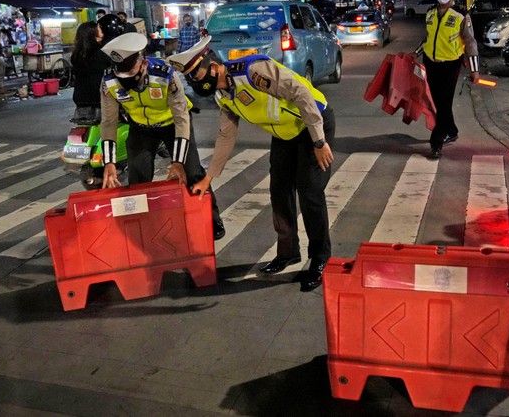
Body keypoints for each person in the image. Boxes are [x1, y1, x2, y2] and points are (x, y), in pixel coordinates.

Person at [176, 39, 335, 292]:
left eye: (196, 73)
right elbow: (226, 136)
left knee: (310, 192)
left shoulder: (252, 72)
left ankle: (320, 258)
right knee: (279, 191)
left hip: (312, 124)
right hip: (284, 134)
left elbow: (302, 94)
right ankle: (288, 252)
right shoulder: (222, 96)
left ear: (214, 66)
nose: (195, 81)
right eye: (190, 78)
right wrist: (209, 178)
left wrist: (319, 141)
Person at [99, 32, 225, 239]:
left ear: (142, 62)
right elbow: (109, 122)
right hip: (140, 128)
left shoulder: (165, 74)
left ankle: (212, 219)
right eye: (123, 77)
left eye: (131, 74)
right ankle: (143, 227)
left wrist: (177, 161)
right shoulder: (109, 81)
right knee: (138, 178)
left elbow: (182, 119)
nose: (127, 81)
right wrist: (109, 162)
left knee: (192, 171)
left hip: (172, 125)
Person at [417, 0, 480, 160]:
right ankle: (451, 130)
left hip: (451, 65)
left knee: (442, 103)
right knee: (439, 102)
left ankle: (436, 142)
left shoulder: (461, 15)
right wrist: (416, 52)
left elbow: (470, 43)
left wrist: (475, 70)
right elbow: (428, 38)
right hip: (431, 63)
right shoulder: (430, 13)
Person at [69, 21, 111, 123]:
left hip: (80, 98)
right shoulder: (102, 53)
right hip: (99, 97)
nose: (102, 30)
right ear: (93, 33)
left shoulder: (76, 55)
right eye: (99, 29)